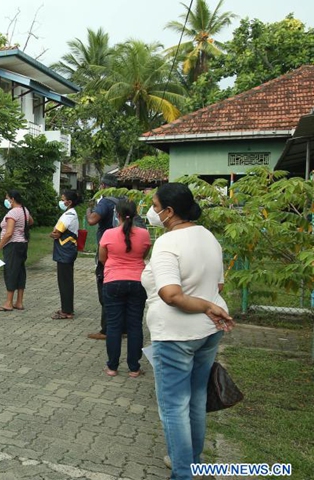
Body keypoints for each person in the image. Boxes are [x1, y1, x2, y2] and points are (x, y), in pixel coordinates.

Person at [141, 183, 234, 480]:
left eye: (155, 207)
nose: (152, 213)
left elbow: (171, 294)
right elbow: (217, 285)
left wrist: (204, 305)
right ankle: (192, 460)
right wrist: (208, 304)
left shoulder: (168, 244)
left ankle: (183, 473)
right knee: (195, 398)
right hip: (207, 333)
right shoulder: (208, 237)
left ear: (169, 211)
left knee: (174, 407)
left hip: (177, 334)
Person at [99, 199, 151, 377]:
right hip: (138, 281)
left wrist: (115, 266)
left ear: (117, 214)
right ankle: (134, 368)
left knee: (114, 325)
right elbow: (144, 255)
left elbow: (102, 258)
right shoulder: (144, 234)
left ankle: (112, 367)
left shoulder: (108, 234)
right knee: (135, 325)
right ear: (136, 214)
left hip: (113, 281)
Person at [85, 173, 119, 340]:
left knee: (105, 289)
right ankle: (123, 328)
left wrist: (89, 209)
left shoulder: (105, 202)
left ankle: (106, 329)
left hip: (107, 250)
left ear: (104, 186)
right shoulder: (124, 200)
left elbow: (92, 220)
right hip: (123, 251)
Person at [0, 190, 33, 312]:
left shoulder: (13, 212)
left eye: (7, 198)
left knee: (11, 271)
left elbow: (8, 233)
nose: (7, 201)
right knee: (20, 272)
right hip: (22, 244)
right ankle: (19, 302)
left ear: (12, 199)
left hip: (12, 246)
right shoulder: (24, 210)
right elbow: (30, 221)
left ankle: (8, 302)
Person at [50, 190, 80, 319]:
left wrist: (53, 234)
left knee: (65, 281)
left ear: (69, 202)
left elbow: (56, 232)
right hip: (66, 251)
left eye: (63, 199)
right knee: (65, 281)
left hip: (65, 251)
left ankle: (67, 311)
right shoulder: (69, 213)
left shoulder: (69, 214)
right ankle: (66, 308)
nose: (61, 202)